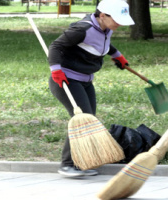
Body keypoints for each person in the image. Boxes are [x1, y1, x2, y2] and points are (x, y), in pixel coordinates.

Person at [47, 0, 134, 178]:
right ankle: (67, 165)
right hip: (66, 80)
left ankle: (80, 163)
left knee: (89, 118)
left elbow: (103, 44)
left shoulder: (106, 28)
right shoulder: (82, 29)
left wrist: (118, 56)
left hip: (86, 80)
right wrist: (56, 70)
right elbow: (56, 46)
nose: (119, 24)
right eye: (116, 19)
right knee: (82, 120)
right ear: (102, 15)